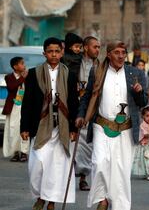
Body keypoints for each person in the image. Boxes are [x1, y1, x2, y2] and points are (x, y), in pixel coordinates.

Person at [76, 40, 147, 210]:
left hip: (125, 129)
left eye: (123, 52)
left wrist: (139, 93)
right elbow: (87, 97)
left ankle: (118, 205)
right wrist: (80, 115)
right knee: (100, 163)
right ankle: (102, 199)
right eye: (117, 52)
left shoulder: (136, 73)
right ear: (108, 54)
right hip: (101, 125)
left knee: (121, 171)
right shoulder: (98, 72)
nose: (121, 56)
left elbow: (143, 103)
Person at [20, 37, 79, 210]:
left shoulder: (70, 75)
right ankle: (39, 196)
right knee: (37, 165)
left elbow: (73, 102)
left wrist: (74, 128)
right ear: (44, 53)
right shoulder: (33, 73)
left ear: (61, 53)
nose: (53, 54)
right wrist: (24, 127)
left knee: (57, 167)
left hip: (62, 126)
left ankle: (51, 201)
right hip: (40, 125)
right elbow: (28, 102)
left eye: (57, 51)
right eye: (50, 51)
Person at [74, 36, 100, 191]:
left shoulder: (99, 66)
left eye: (99, 47)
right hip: (74, 106)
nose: (97, 50)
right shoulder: (75, 64)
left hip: (90, 109)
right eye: (94, 47)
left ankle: (83, 177)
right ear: (85, 48)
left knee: (88, 144)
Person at [2, 56, 29, 162]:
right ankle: (15, 152)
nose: (24, 65)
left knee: (24, 128)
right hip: (13, 107)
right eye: (22, 63)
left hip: (24, 106)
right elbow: (12, 87)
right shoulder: (9, 77)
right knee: (13, 130)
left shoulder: (29, 76)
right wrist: (23, 78)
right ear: (15, 66)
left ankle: (24, 152)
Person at [132, 106, 149, 181]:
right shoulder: (142, 125)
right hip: (146, 145)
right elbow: (144, 134)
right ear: (143, 116)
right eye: (147, 116)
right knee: (147, 158)